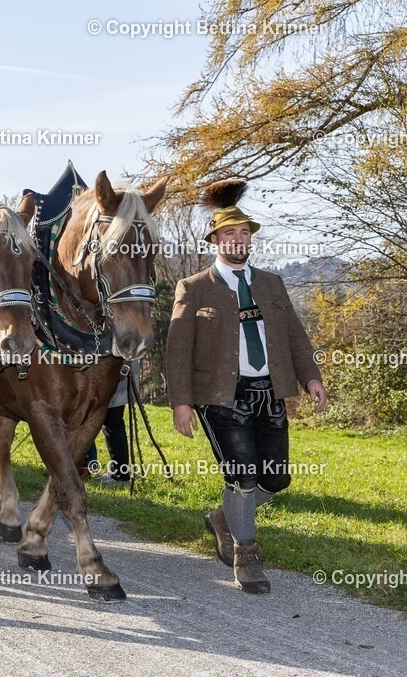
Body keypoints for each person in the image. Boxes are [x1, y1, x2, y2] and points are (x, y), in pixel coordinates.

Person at [167, 178, 327, 595]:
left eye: (244, 232)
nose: (238, 239)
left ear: (250, 239)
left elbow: (295, 336)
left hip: (269, 391)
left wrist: (310, 376)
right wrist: (181, 402)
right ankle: (246, 553)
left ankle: (224, 518)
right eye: (229, 233)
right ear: (215, 240)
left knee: (275, 479)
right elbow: (177, 351)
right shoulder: (194, 288)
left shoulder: (272, 284)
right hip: (220, 397)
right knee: (242, 476)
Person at [90, 363, 139, 486]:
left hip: (116, 372)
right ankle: (120, 473)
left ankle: (120, 475)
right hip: (116, 372)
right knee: (113, 422)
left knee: (112, 422)